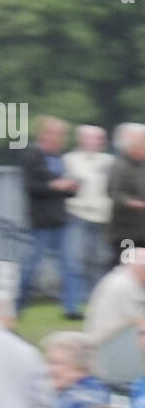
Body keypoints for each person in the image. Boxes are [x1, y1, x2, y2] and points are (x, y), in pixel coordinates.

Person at [17, 117, 82, 318]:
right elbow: (31, 187)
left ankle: (70, 309)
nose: (59, 138)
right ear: (44, 134)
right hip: (41, 220)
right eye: (56, 134)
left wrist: (71, 188)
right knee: (31, 266)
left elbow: (63, 190)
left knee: (70, 266)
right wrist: (54, 186)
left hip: (61, 218)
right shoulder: (33, 156)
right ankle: (18, 305)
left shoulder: (58, 157)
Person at [63, 125, 114, 298]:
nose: (95, 142)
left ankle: (98, 299)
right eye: (91, 138)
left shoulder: (109, 161)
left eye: (99, 138)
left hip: (102, 217)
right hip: (78, 215)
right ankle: (73, 304)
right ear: (81, 140)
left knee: (100, 261)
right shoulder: (69, 160)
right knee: (75, 261)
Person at [83, 246, 145, 345]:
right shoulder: (123, 284)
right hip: (108, 343)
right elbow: (139, 322)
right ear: (139, 268)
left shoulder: (123, 279)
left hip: (116, 337)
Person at [107, 123, 145, 262]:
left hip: (142, 230)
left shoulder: (142, 166)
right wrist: (131, 202)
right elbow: (113, 193)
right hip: (125, 232)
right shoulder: (120, 165)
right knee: (125, 267)